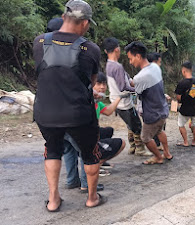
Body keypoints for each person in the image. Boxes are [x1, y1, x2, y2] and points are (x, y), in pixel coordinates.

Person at [33, 0, 105, 211]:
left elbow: (44, 74)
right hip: (78, 114)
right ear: (84, 23)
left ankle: (54, 200)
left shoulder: (39, 42)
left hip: (45, 112)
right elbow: (90, 83)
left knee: (53, 149)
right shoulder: (90, 48)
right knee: (91, 153)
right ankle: (92, 198)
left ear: (64, 17)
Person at [63, 72, 127, 192]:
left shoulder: (92, 99)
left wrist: (119, 98)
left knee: (69, 152)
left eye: (104, 84)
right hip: (76, 128)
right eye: (98, 83)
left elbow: (108, 111)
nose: (102, 87)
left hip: (63, 127)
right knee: (86, 153)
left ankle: (72, 181)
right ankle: (86, 184)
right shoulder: (86, 96)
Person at [125, 41, 172, 164]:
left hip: (152, 113)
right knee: (159, 131)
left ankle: (158, 157)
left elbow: (137, 91)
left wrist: (129, 81)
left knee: (145, 137)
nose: (130, 62)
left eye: (131, 58)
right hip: (162, 109)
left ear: (138, 56)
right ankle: (167, 152)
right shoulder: (155, 67)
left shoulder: (140, 77)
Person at [103, 37, 151, 156]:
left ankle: (133, 146)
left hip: (116, 102)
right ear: (117, 49)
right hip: (124, 103)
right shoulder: (117, 67)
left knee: (131, 124)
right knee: (137, 125)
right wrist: (137, 90)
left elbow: (124, 79)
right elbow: (122, 87)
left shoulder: (109, 65)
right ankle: (140, 148)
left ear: (105, 51)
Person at [175, 61, 195, 147]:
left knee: (181, 124)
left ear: (183, 71)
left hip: (185, 108)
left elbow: (178, 97)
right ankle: (194, 141)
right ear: (192, 70)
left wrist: (180, 101)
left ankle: (185, 142)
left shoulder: (181, 83)